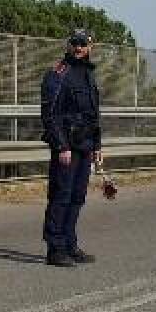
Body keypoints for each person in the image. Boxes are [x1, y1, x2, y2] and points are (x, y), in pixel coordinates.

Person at [40, 28, 102, 267]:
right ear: (68, 45)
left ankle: (70, 244)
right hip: (66, 147)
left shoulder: (88, 73)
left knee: (77, 197)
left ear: (90, 46)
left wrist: (97, 145)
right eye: (74, 43)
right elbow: (50, 114)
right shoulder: (58, 73)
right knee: (61, 196)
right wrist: (61, 145)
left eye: (83, 43)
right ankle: (55, 249)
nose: (78, 47)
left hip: (85, 145)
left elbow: (93, 113)